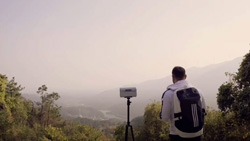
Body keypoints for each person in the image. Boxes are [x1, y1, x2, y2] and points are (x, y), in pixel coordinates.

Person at [160, 66, 206, 141]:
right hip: (196, 134)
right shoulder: (198, 91)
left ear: (173, 77)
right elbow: (203, 111)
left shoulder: (168, 94)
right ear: (185, 76)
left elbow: (164, 118)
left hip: (177, 135)